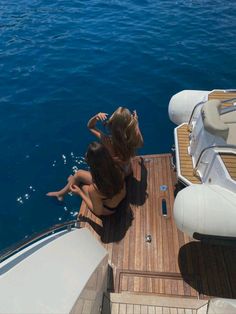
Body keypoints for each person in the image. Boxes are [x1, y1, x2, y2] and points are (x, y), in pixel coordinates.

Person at [47, 142, 126, 217]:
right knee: (79, 174)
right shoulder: (117, 165)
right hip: (119, 195)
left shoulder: (94, 189)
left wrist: (80, 193)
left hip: (108, 209)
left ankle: (72, 185)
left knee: (81, 185)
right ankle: (60, 194)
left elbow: (97, 211)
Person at [87, 107, 143, 176]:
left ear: (112, 124)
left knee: (79, 175)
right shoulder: (132, 140)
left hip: (116, 175)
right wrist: (136, 123)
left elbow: (90, 126)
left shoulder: (108, 141)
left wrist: (96, 117)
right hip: (128, 171)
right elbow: (140, 142)